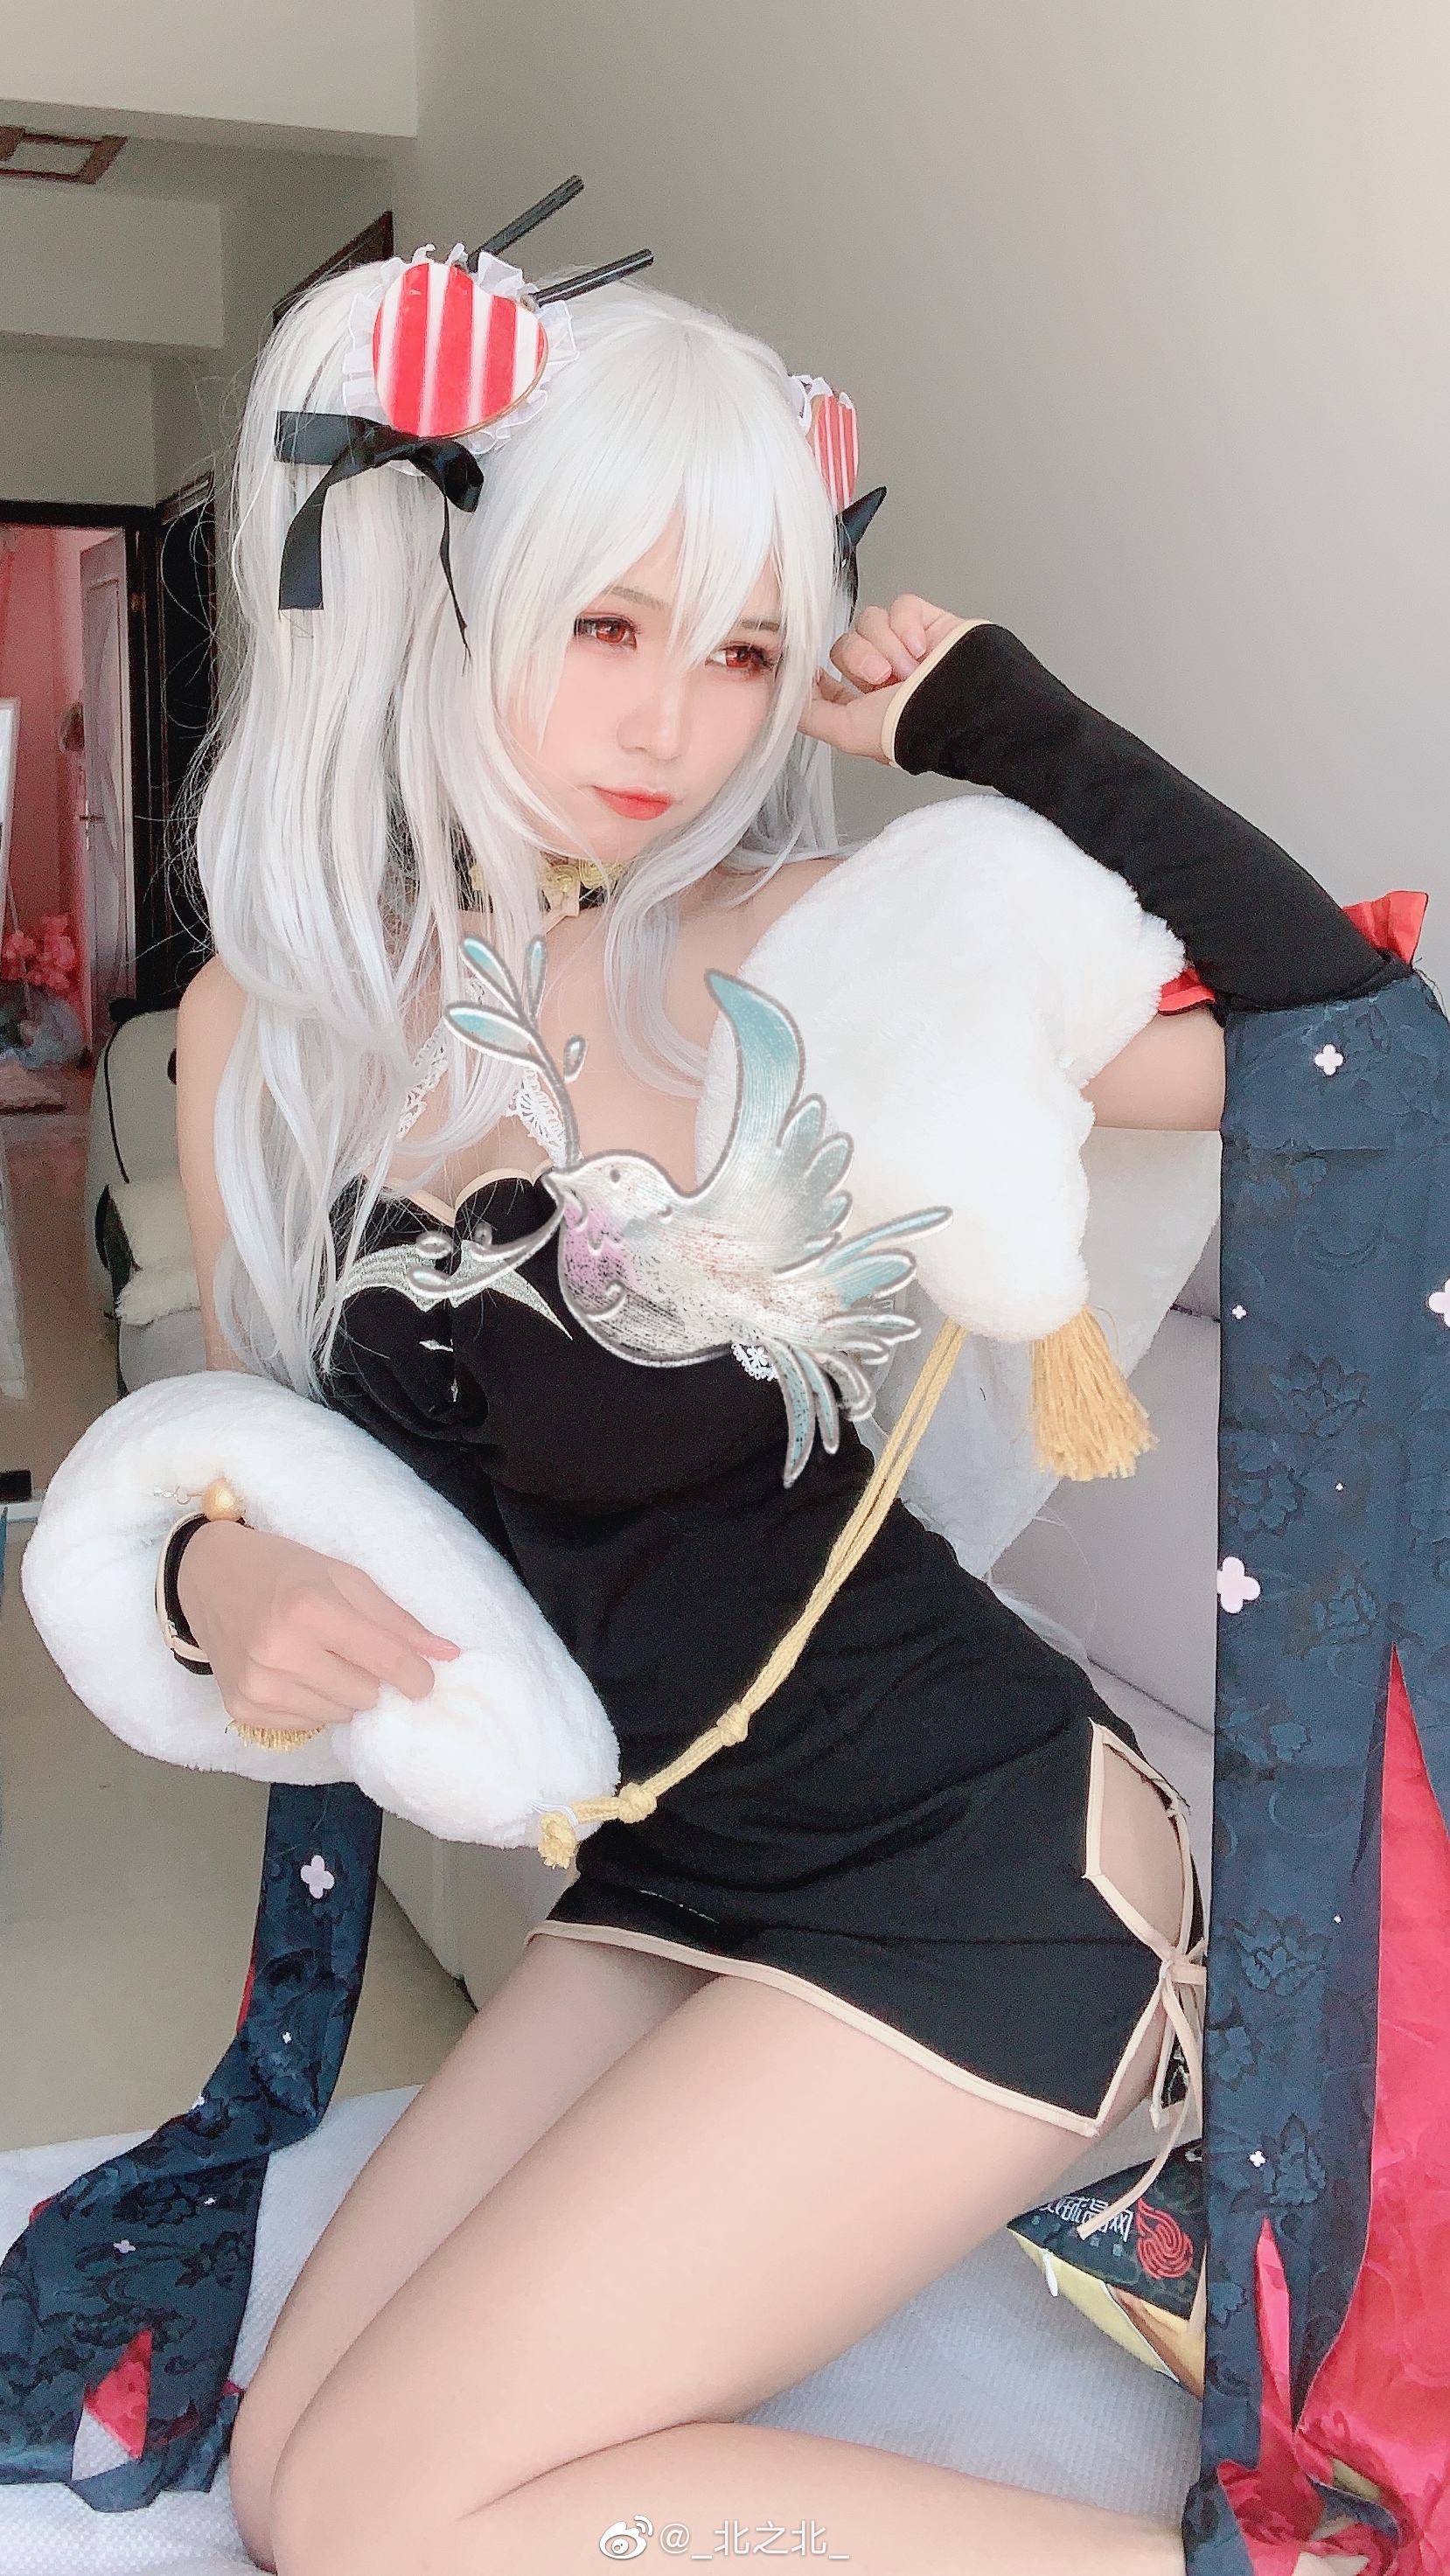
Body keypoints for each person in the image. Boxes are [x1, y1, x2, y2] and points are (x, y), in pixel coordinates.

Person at [168, 261, 1398, 2576]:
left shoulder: (803, 947)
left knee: (393, 2513)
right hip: (675, 1862)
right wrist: (218, 1571)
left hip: (971, 1870)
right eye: (605, 623)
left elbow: (1348, 1054)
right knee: (289, 2480)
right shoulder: (273, 1028)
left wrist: (1008, 720)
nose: (674, 721)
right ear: (445, 595)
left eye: (741, 651)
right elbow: (259, 1454)